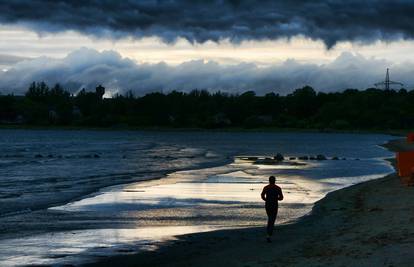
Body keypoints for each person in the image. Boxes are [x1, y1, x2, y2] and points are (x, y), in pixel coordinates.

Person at [261, 175, 283, 243]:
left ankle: (269, 234)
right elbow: (281, 198)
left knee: (270, 218)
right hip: (274, 205)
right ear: (274, 181)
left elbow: (262, 195)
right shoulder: (278, 188)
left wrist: (266, 199)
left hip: (268, 204)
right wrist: (276, 198)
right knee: (272, 219)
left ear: (269, 181)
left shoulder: (266, 187)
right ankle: (269, 234)